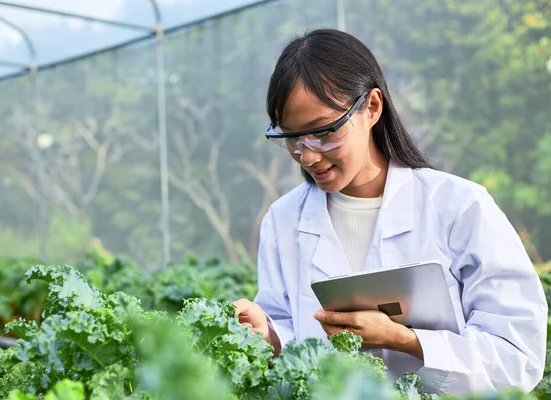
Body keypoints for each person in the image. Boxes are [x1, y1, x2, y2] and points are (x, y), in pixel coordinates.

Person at [233, 28, 547, 395]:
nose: (308, 155)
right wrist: (268, 335)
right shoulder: (283, 220)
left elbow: (518, 356)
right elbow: (290, 335)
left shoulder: (459, 207)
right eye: (291, 138)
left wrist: (405, 340)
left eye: (323, 132)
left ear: (372, 107)